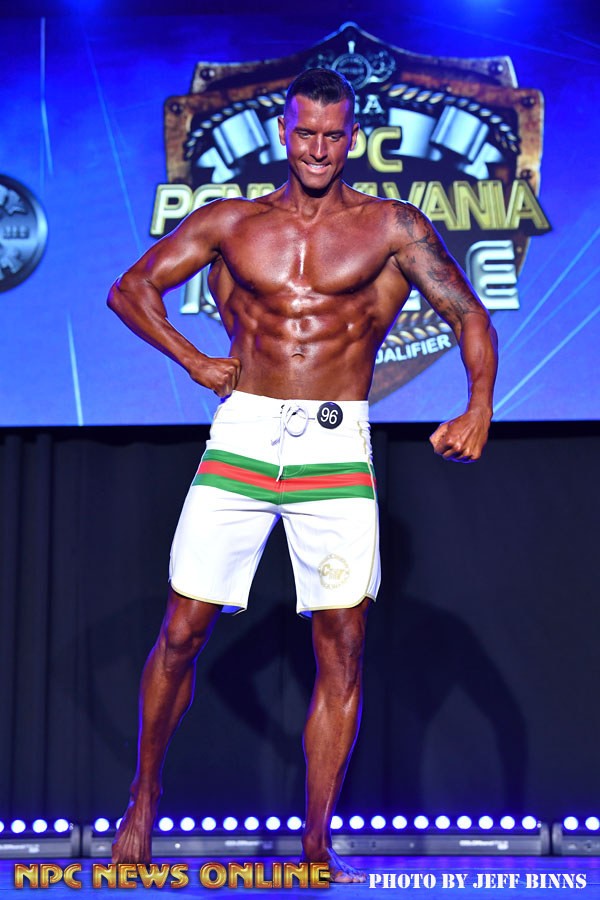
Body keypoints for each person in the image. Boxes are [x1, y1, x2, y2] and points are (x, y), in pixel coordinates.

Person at [107, 67, 498, 883]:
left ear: (351, 137)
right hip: (243, 434)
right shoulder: (230, 222)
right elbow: (131, 289)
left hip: (333, 443)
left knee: (343, 646)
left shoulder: (391, 227)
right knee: (182, 630)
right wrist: (193, 360)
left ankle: (316, 841)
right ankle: (144, 796)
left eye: (332, 135)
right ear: (285, 133)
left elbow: (468, 311)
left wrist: (478, 405)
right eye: (305, 133)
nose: (318, 149)